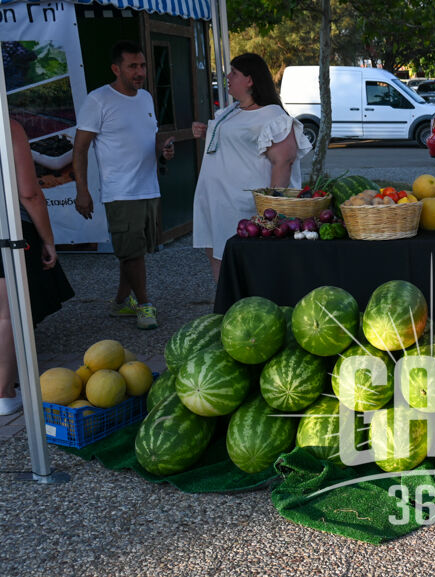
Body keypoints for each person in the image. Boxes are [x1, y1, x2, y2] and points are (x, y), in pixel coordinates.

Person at [73, 41, 175, 330]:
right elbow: (80, 148)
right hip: (120, 191)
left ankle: (120, 303)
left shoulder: (145, 98)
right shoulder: (98, 100)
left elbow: (151, 139)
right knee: (132, 252)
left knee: (133, 250)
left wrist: (163, 149)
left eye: (142, 65)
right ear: (116, 68)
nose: (140, 71)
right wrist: (82, 190)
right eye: (133, 66)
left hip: (148, 187)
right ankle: (144, 304)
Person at [191, 53, 311, 281]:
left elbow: (283, 162)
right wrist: (208, 133)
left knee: (246, 269)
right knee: (221, 262)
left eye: (234, 73)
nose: (227, 76)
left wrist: (270, 213)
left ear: (250, 80)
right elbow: (239, 141)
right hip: (218, 202)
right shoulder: (232, 110)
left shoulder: (271, 116)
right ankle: (225, 310)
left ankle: (243, 309)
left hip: (243, 207)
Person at [0, 120, 75, 415]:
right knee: (6, 315)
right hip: (6, 230)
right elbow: (29, 192)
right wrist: (49, 240)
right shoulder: (7, 125)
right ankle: (4, 392)